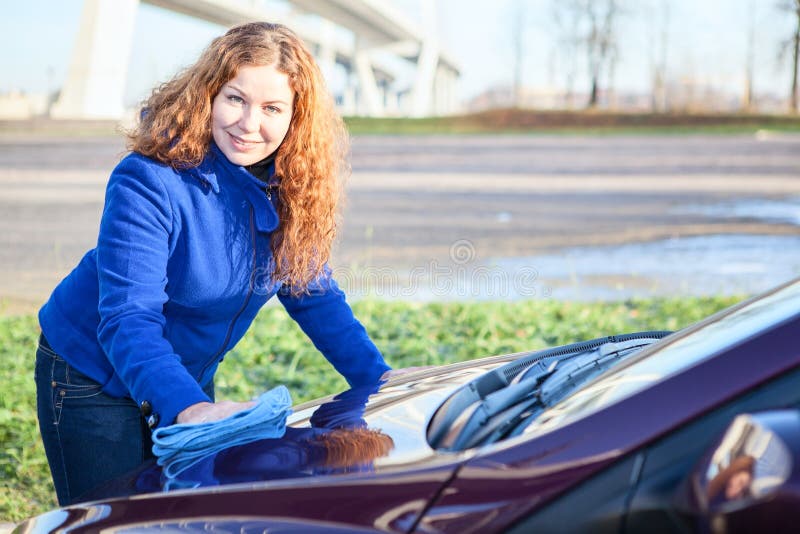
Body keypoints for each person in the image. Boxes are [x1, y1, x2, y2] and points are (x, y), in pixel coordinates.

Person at [34, 21, 395, 506]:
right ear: (207, 94)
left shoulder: (290, 187)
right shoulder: (149, 180)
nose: (250, 124)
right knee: (115, 518)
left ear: (296, 117)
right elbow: (127, 318)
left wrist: (381, 382)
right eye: (235, 99)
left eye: (272, 108)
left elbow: (313, 295)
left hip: (185, 373)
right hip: (93, 374)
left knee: (182, 513)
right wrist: (190, 408)